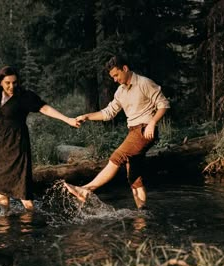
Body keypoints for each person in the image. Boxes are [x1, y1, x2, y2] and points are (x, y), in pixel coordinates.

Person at [0, 66, 80, 211]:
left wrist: (67, 119)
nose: (12, 86)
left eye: (15, 82)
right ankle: (6, 221)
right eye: (8, 83)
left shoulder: (24, 96)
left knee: (24, 193)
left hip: (17, 143)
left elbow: (44, 108)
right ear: (0, 83)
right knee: (0, 188)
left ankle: (32, 224)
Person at [64, 55, 170, 209]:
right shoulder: (120, 91)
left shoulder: (144, 83)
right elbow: (108, 113)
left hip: (144, 130)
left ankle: (86, 190)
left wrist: (152, 123)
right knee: (134, 176)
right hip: (133, 131)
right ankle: (143, 215)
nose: (114, 79)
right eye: (112, 76)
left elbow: (164, 104)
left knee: (117, 157)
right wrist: (87, 116)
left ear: (125, 69)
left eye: (116, 75)